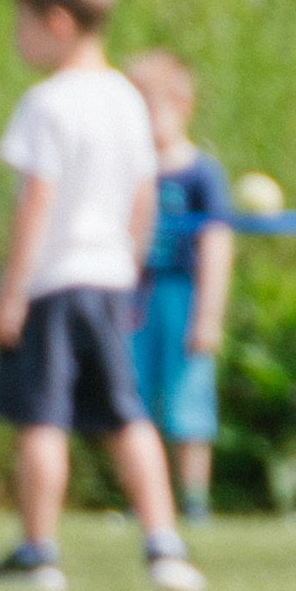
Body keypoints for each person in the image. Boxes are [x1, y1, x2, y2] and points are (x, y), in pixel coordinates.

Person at [0, 0, 203, 591]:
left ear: (57, 23)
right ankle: (164, 544)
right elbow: (144, 196)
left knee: (41, 419)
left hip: (52, 283)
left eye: (22, 25)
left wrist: (12, 289)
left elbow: (36, 202)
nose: (18, 40)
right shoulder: (127, 101)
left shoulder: (47, 103)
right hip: (109, 281)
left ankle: (39, 551)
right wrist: (129, 266)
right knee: (125, 416)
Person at [126, 50, 234, 524]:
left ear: (181, 105)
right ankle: (146, 500)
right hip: (137, 298)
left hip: (183, 296)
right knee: (135, 399)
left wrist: (208, 316)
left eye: (148, 108)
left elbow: (217, 246)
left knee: (190, 403)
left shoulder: (201, 173)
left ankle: (193, 499)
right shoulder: (132, 170)